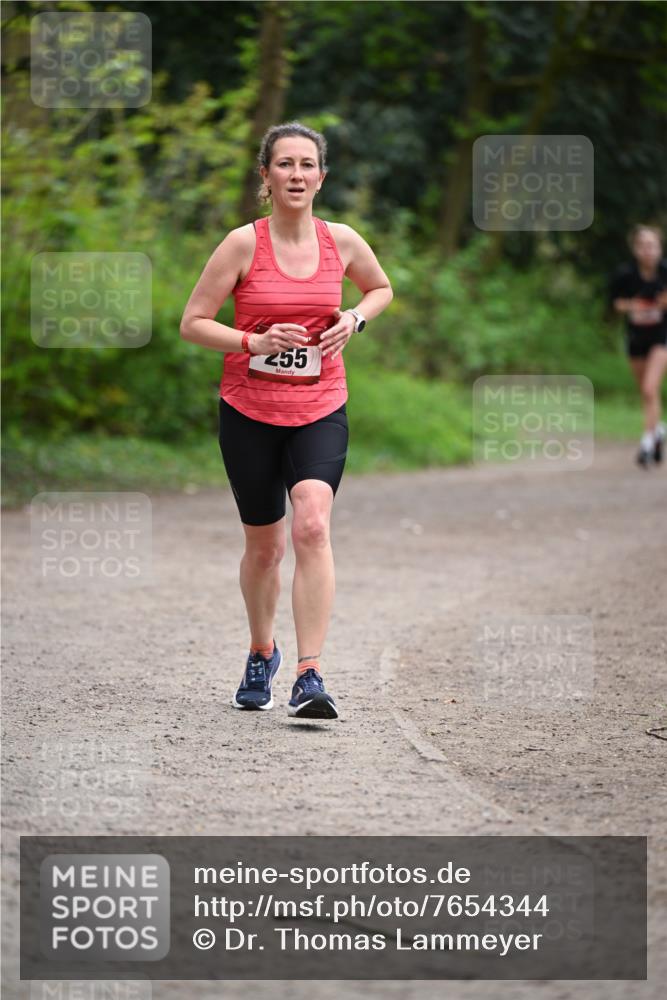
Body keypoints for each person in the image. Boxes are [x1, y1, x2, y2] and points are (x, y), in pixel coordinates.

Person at [179, 121, 393, 718]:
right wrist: (254, 343)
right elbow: (193, 322)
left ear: (321, 178)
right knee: (266, 549)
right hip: (248, 410)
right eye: (284, 165)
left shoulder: (343, 242)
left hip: (320, 407)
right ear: (266, 177)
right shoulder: (241, 245)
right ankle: (261, 650)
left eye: (307, 165)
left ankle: (310, 673)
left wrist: (355, 319)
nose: (296, 174)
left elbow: (380, 289)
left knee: (313, 527)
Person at [609, 224, 667, 468]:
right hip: (635, 338)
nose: (647, 251)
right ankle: (659, 430)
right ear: (635, 249)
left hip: (661, 337)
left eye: (652, 245)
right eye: (642, 246)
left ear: (660, 248)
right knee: (647, 392)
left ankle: (646, 443)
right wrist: (633, 306)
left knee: (649, 387)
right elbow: (615, 304)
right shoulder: (625, 275)